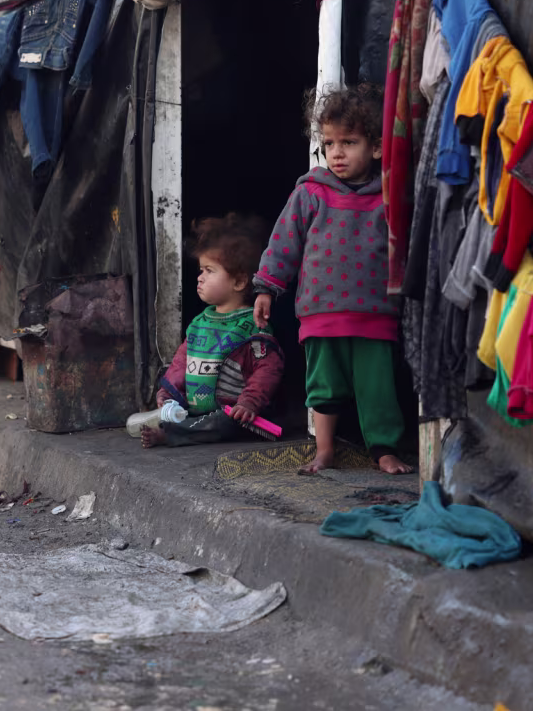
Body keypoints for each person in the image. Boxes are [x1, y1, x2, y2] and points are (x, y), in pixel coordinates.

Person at [253, 84, 413, 475]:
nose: (336, 152)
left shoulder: (389, 197)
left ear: (376, 147)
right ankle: (324, 450)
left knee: (378, 390)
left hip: (375, 313)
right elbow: (283, 244)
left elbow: (406, 247)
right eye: (329, 143)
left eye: (349, 142)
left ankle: (384, 451)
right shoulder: (311, 194)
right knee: (323, 389)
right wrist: (266, 288)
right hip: (321, 314)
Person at [142, 214, 285, 448]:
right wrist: (168, 396)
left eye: (209, 270)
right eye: (201, 270)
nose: (199, 278)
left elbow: (268, 371)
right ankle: (177, 429)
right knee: (175, 416)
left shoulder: (252, 326)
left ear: (239, 282)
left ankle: (172, 437)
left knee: (223, 422)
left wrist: (248, 404)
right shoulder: (200, 322)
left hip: (235, 414)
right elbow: (181, 363)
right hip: (197, 412)